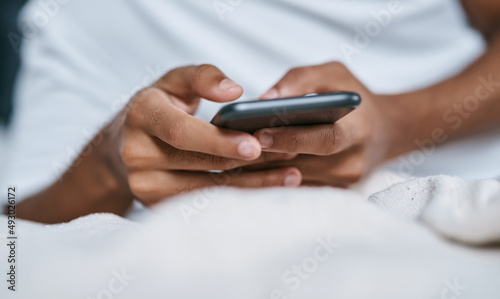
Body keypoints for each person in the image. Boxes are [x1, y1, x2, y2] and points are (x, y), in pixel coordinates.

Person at [3, 0, 500, 223]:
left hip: (453, 196)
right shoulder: (79, 15)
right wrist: (108, 168)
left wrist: (396, 125)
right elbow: (15, 231)